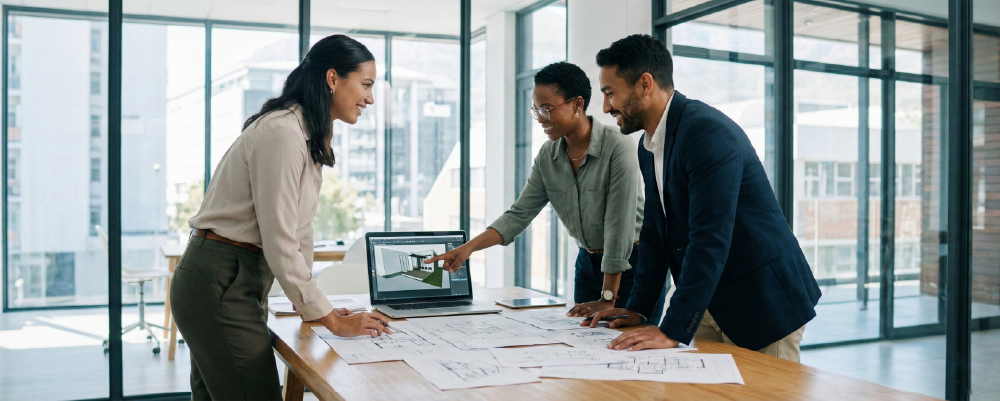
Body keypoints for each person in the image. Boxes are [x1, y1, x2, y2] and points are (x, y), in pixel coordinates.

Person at [169, 35, 392, 401]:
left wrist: (315, 307)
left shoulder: (307, 133)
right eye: (366, 85)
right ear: (333, 79)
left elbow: (299, 229)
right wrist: (329, 319)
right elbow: (280, 239)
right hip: (219, 279)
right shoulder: (283, 133)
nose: (369, 98)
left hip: (230, 280)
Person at [587, 34, 822, 362]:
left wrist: (671, 329)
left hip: (763, 300)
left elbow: (710, 238)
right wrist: (639, 310)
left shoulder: (705, 132)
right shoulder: (648, 145)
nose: (606, 107)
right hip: (709, 301)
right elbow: (655, 234)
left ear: (644, 84)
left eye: (610, 93)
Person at [424, 62, 656, 317]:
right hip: (588, 265)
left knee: (632, 347)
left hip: (632, 265)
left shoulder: (617, 146)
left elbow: (618, 227)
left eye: (547, 109)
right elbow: (518, 214)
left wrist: (608, 296)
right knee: (586, 347)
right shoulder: (548, 156)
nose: (540, 119)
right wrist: (468, 248)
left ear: (577, 104)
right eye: (536, 110)